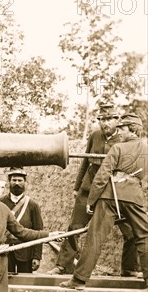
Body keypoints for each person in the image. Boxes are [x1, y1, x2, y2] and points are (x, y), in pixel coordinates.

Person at [48, 104, 139, 277]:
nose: (105, 124)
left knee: (130, 229)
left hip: (113, 190)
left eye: (109, 120)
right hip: (89, 189)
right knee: (75, 226)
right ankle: (62, 266)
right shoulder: (95, 136)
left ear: (117, 121)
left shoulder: (123, 140)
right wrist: (77, 187)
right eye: (102, 120)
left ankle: (129, 268)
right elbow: (85, 162)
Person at [0, 167, 44, 292]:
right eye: (13, 180)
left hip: (26, 251)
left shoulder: (32, 205)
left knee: (27, 286)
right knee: (6, 285)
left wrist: (37, 256)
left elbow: (39, 232)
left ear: (25, 183)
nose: (16, 183)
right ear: (9, 182)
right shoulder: (1, 202)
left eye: (20, 180)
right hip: (6, 250)